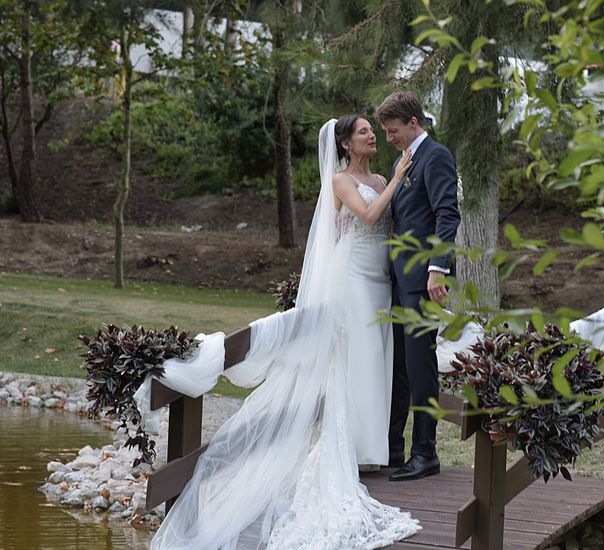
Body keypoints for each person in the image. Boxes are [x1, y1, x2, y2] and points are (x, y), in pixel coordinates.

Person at [146, 116, 418, 549]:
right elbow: (367, 214)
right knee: (358, 358)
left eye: (372, 130)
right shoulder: (341, 179)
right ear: (346, 144)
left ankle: (374, 450)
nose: (372, 135)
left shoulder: (381, 175)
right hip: (353, 279)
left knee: (377, 360)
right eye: (364, 131)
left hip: (379, 278)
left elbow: (382, 220)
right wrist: (398, 179)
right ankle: (354, 450)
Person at [375, 91, 461, 482]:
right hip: (400, 279)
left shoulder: (436, 156)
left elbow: (447, 214)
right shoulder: (402, 161)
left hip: (423, 281)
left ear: (413, 122)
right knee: (400, 367)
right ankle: (394, 447)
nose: (389, 138)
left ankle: (425, 451)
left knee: (421, 366)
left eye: (393, 130)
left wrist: (437, 268)